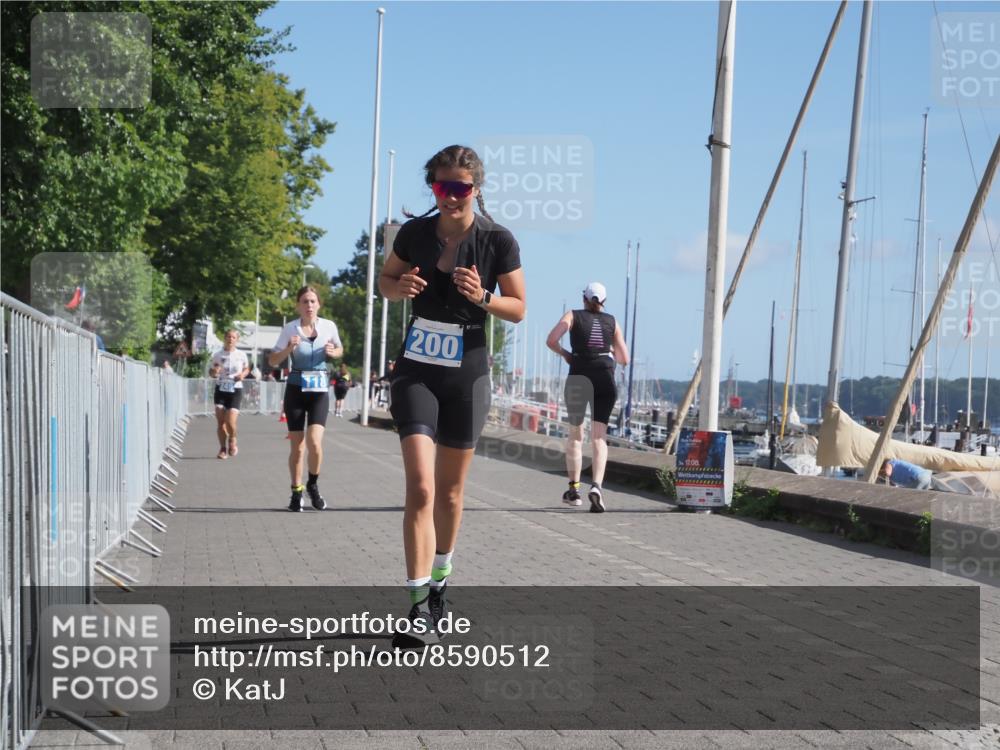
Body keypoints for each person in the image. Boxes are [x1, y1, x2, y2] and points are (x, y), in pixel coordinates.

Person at [379, 144, 525, 647]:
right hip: (417, 368)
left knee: (450, 493)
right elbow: (385, 280)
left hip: (467, 373)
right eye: (442, 187)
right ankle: (417, 607)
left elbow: (520, 307)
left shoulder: (497, 240)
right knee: (420, 487)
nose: (451, 196)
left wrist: (482, 297)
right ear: (433, 188)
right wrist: (398, 290)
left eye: (460, 188)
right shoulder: (416, 233)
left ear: (476, 189)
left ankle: (441, 581)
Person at [546, 282, 629, 513]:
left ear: (584, 298)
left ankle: (574, 491)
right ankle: (597, 487)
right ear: (604, 302)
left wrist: (566, 355)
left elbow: (551, 340)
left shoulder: (572, 316)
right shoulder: (612, 322)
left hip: (579, 376)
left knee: (575, 435)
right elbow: (624, 358)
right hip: (605, 378)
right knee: (599, 438)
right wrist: (609, 351)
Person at [268, 286, 343, 511]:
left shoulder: (329, 326)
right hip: (296, 391)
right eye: (304, 301)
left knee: (315, 443)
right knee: (298, 447)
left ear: (319, 304)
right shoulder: (289, 329)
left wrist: (333, 352)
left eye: (312, 301)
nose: (309, 305)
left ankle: (312, 484)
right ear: (298, 305)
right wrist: (288, 348)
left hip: (319, 391)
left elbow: (339, 349)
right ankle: (295, 492)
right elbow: (273, 361)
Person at [209, 329, 250, 459]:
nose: (230, 339)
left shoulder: (241, 355)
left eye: (233, 337)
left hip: (235, 389)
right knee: (220, 421)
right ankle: (222, 448)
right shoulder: (217, 355)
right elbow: (212, 372)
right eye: (228, 337)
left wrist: (242, 375)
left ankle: (232, 438)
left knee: (230, 422)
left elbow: (247, 368)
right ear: (224, 338)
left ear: (236, 340)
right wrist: (214, 372)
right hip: (221, 389)